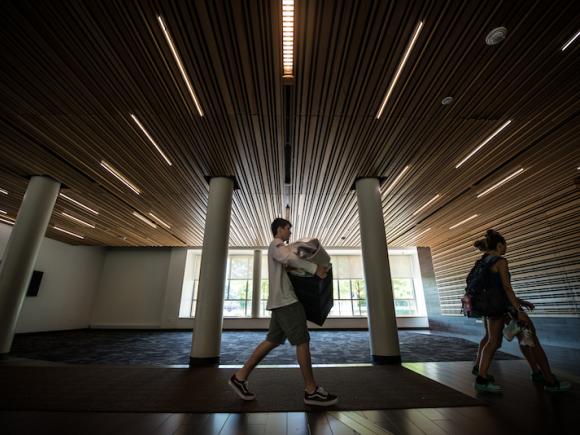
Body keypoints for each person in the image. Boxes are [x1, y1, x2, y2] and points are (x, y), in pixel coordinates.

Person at [228, 218, 339, 406]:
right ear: (279, 229)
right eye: (288, 229)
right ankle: (311, 390)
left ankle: (239, 377)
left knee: (272, 340)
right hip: (287, 302)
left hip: (281, 301)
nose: (290, 233)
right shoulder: (276, 244)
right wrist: (315, 268)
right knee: (302, 341)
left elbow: (291, 262)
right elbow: (288, 258)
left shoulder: (282, 248)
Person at [471, 230, 571, 393]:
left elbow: (495, 289)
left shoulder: (482, 262)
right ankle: (550, 381)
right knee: (532, 340)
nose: (506, 249)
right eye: (505, 246)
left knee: (494, 341)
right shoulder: (501, 261)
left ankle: (482, 378)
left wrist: (520, 301)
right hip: (507, 310)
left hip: (493, 309)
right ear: (499, 245)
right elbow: (506, 287)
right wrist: (519, 310)